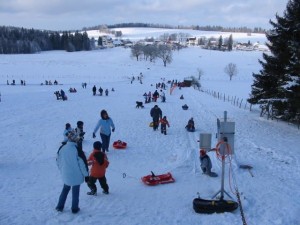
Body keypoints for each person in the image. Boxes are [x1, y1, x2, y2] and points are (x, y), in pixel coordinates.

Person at [56, 129, 89, 214]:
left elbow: (58, 160)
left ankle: (59, 206)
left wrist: (62, 170)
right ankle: (74, 208)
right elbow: (82, 164)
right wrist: (86, 175)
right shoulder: (77, 150)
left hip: (66, 174)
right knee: (75, 192)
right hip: (76, 176)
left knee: (65, 189)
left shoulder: (62, 148)